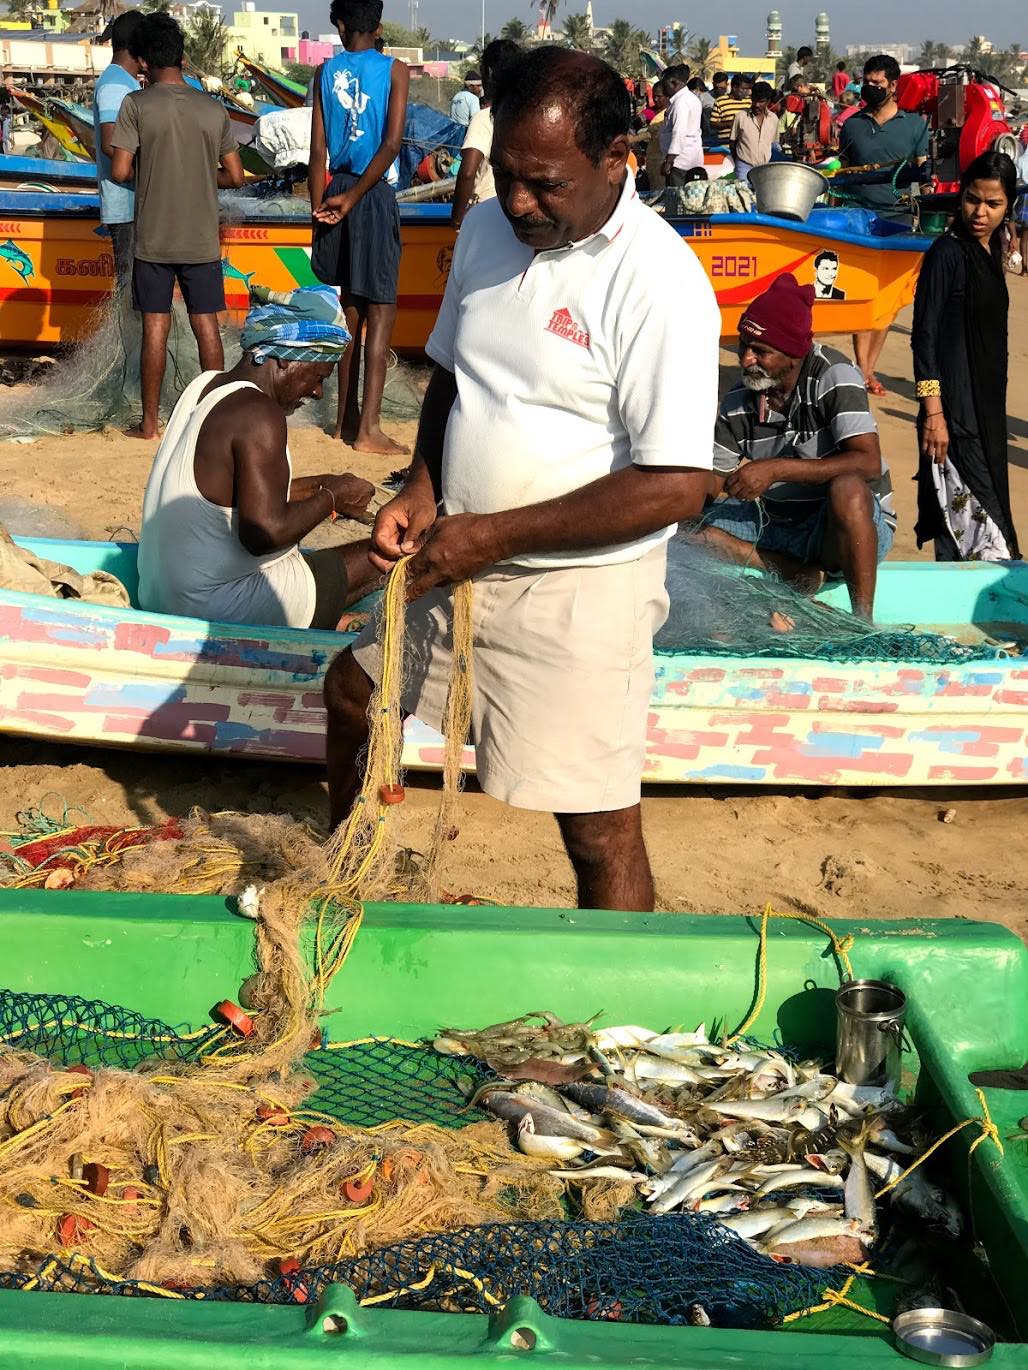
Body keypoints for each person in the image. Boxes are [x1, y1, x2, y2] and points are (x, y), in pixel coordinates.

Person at [323, 47, 720, 912]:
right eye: (504, 174)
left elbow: (678, 485)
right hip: (456, 555)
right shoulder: (483, 232)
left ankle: (617, 1015)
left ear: (619, 156)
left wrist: (493, 536)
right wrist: (423, 488)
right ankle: (343, 883)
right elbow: (457, 376)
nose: (516, 202)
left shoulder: (660, 283)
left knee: (596, 826)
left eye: (544, 184)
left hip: (580, 591)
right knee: (352, 694)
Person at [138, 285, 380, 627]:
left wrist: (326, 485)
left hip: (160, 596)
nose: (316, 391)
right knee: (386, 554)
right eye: (318, 376)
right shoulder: (258, 413)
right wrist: (332, 497)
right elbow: (263, 533)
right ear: (286, 356)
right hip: (213, 609)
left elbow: (236, 494)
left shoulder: (204, 385)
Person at [694, 274, 895, 621]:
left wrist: (775, 469)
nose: (745, 360)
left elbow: (868, 463)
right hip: (780, 525)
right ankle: (791, 571)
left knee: (847, 488)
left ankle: (863, 620)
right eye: (743, 346)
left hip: (844, 526)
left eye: (761, 351)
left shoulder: (835, 375)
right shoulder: (738, 401)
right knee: (690, 531)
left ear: (793, 353)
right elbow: (713, 481)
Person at [111, 13, 244, 441]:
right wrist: (201, 176)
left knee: (156, 326)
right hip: (201, 239)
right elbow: (236, 176)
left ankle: (149, 424)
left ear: (145, 61)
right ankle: (215, 420)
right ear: (183, 58)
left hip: (153, 239)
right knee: (208, 326)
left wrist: (156, 171)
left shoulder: (135, 104)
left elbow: (119, 170)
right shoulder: (213, 108)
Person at [309, 0, 411, 456]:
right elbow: (391, 145)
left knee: (350, 309)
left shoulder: (323, 74)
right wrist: (353, 199)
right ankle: (368, 431)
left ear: (340, 24)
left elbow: (317, 153)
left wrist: (320, 207)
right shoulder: (395, 70)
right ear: (379, 26)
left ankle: (343, 420)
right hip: (370, 193)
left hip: (338, 186)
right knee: (381, 312)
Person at [911, 152, 1020, 562]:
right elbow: (924, 338)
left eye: (994, 205)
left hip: (986, 409)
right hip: (952, 413)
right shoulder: (947, 253)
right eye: (973, 199)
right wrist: (933, 412)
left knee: (986, 511)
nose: (980, 213)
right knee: (971, 526)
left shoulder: (991, 251)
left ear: (1009, 205)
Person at [838, 54, 928, 395]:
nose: (871, 89)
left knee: (886, 301)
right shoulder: (852, 124)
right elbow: (841, 171)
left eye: (878, 85)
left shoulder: (915, 125)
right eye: (868, 83)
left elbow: (924, 173)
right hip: (858, 219)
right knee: (862, 294)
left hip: (898, 220)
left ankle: (868, 367)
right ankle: (863, 370)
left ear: (893, 86)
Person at [94, 11, 144, 292]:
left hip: (130, 200)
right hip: (124, 204)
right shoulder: (115, 84)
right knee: (130, 285)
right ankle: (130, 336)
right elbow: (110, 142)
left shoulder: (123, 81)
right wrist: (151, 173)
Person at [451, 38, 520, 228]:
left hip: (485, 212)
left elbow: (467, 173)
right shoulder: (527, 116)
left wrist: (457, 220)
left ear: (488, 73)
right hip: (516, 214)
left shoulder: (485, 118)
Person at [659, 64, 703, 186]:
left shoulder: (680, 103)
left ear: (673, 83)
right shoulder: (691, 99)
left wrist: (669, 161)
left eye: (664, 84)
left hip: (679, 163)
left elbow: (679, 133)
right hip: (691, 158)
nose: (663, 88)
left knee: (677, 198)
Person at [730, 81, 779, 183]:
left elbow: (773, 144)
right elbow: (733, 144)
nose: (756, 105)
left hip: (764, 168)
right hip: (743, 167)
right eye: (754, 100)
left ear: (768, 101)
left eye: (761, 101)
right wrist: (738, 163)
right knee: (744, 197)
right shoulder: (740, 117)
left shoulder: (774, 119)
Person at [711, 74, 751, 143]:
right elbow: (713, 123)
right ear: (735, 87)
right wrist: (729, 124)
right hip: (725, 144)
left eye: (747, 89)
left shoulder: (749, 102)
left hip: (744, 144)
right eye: (744, 89)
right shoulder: (720, 101)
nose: (746, 92)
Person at [688, 74, 715, 141]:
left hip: (707, 133)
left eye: (690, 91)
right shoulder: (710, 95)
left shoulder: (699, 98)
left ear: (697, 89)